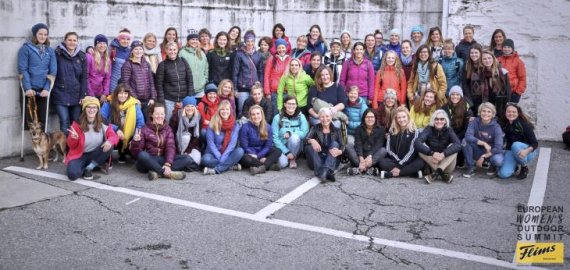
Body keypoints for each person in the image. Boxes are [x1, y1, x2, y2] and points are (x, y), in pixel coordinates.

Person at [130, 103, 194, 180]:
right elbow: (135, 154)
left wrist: (168, 164)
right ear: (151, 114)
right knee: (142, 155)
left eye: (162, 114)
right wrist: (135, 142)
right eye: (157, 114)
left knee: (187, 158)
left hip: (163, 159)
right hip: (149, 160)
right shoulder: (144, 129)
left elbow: (170, 147)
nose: (160, 116)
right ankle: (167, 173)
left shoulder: (168, 129)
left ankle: (157, 172)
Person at [65, 96, 118, 180]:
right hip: (80, 155)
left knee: (109, 145)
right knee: (72, 175)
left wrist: (110, 141)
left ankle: (89, 168)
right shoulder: (77, 123)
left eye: (94, 107)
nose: (91, 110)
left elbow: (114, 136)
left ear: (97, 109)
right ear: (84, 109)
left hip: (95, 154)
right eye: (89, 107)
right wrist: (73, 138)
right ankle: (88, 167)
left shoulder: (103, 122)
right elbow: (71, 146)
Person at [18, 23, 56, 129]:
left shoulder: (50, 51)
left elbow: (52, 72)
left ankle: (42, 145)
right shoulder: (26, 49)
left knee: (43, 120)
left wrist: (47, 88)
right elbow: (23, 69)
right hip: (30, 89)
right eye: (40, 34)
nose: (43, 37)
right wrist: (28, 88)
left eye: (45, 34)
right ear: (35, 34)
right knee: (31, 120)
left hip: (43, 90)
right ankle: (34, 144)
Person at [52, 32, 87, 136]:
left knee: (75, 122)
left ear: (77, 42)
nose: (72, 42)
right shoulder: (57, 54)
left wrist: (83, 95)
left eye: (74, 40)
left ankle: (74, 148)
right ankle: (66, 149)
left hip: (76, 95)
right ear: (65, 40)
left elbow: (84, 77)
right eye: (69, 40)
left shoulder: (81, 56)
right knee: (64, 122)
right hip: (60, 93)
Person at [100, 83, 145, 163]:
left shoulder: (134, 105)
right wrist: (115, 129)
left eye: (125, 93)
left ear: (128, 94)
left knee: (138, 138)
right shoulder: (108, 103)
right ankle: (107, 156)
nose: (123, 95)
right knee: (106, 132)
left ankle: (125, 152)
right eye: (120, 93)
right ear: (116, 93)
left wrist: (136, 135)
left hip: (129, 134)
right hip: (113, 132)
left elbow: (140, 123)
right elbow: (101, 119)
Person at [415, 109, 462, 183]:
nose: (439, 121)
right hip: (433, 162)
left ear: (445, 121)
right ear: (433, 121)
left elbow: (458, 144)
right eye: (436, 119)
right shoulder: (428, 129)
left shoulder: (449, 130)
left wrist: (444, 154)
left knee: (454, 147)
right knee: (420, 150)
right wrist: (432, 153)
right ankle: (442, 174)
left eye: (441, 119)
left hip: (447, 165)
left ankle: (437, 172)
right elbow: (417, 143)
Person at [379, 107, 425, 179]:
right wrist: (398, 161)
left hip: (409, 161)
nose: (401, 120)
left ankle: (391, 174)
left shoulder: (414, 132)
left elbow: (412, 151)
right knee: (381, 161)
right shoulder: (392, 131)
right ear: (396, 119)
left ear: (408, 117)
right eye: (399, 117)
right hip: (395, 160)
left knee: (421, 162)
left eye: (404, 117)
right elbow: (389, 149)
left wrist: (400, 165)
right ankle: (411, 173)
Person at [202, 100, 245, 175]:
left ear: (230, 111)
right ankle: (230, 166)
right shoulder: (212, 123)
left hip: (228, 153)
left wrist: (224, 157)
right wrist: (220, 157)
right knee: (205, 160)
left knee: (240, 151)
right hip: (213, 154)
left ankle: (217, 170)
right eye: (222, 109)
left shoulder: (235, 125)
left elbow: (232, 144)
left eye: (227, 109)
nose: (225, 111)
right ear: (219, 111)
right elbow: (210, 143)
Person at [156, 41, 194, 123]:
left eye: (174, 49)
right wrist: (162, 101)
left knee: (184, 122)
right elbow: (159, 85)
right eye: (170, 50)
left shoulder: (183, 62)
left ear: (177, 50)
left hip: (184, 99)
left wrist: (189, 97)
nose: (172, 52)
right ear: (166, 50)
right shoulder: (162, 65)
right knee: (167, 121)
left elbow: (190, 79)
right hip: (169, 100)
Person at [462, 102, 504, 178]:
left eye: (489, 112)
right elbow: (468, 136)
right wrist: (483, 143)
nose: (486, 114)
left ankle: (492, 166)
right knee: (465, 141)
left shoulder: (496, 127)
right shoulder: (474, 122)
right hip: (479, 149)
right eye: (483, 111)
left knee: (498, 161)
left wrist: (484, 156)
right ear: (480, 112)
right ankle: (471, 167)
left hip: (491, 152)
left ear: (492, 114)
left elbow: (499, 147)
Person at [498, 103, 538, 180]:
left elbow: (535, 143)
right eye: (508, 111)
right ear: (505, 113)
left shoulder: (523, 124)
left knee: (515, 145)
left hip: (527, 151)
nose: (511, 114)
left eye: (514, 112)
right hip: (511, 150)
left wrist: (526, 151)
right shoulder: (504, 123)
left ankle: (524, 167)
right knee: (503, 174)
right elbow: (490, 121)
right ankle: (514, 165)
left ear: (518, 113)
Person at [239, 105, 283, 175]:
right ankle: (269, 166)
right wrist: (255, 155)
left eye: (258, 113)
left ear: (262, 114)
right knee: (245, 158)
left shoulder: (267, 127)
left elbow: (268, 146)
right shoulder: (245, 127)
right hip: (250, 153)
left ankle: (261, 167)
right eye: (253, 114)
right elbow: (244, 146)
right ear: (250, 116)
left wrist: (259, 156)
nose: (256, 116)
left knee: (278, 151)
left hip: (262, 151)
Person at [304, 108, 344, 182]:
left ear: (331, 117)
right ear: (319, 118)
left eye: (327, 116)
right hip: (317, 159)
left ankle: (322, 171)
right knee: (309, 146)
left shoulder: (337, 130)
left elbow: (343, 145)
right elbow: (305, 140)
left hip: (331, 158)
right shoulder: (315, 128)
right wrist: (312, 140)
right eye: (322, 117)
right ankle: (326, 172)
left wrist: (340, 151)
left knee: (335, 143)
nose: (325, 119)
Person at [121, 40, 156, 121]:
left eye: (140, 49)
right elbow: (125, 84)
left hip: (147, 100)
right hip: (135, 100)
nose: (138, 51)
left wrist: (153, 98)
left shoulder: (146, 64)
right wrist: (135, 98)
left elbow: (151, 81)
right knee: (138, 122)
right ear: (132, 51)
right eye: (136, 49)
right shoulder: (127, 65)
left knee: (148, 122)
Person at [272, 96, 309, 169]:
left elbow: (304, 132)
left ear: (296, 105)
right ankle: (287, 157)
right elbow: (274, 137)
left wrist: (291, 133)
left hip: (296, 146)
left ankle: (293, 159)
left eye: (293, 104)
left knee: (294, 137)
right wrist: (286, 152)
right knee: (283, 164)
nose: (291, 106)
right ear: (285, 104)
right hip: (282, 146)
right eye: (289, 104)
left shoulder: (301, 116)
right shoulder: (277, 117)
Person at [440, 86, 473, 168]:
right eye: (453, 94)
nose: (455, 96)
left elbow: (467, 129)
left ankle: (460, 160)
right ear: (450, 96)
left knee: (459, 142)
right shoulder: (444, 107)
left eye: (457, 94)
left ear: (461, 96)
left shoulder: (467, 109)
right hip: (448, 133)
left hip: (461, 134)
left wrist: (455, 137)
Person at [346, 108, 386, 176]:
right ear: (364, 118)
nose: (370, 119)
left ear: (375, 118)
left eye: (372, 117)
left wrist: (370, 156)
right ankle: (368, 169)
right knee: (348, 146)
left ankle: (359, 169)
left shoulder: (381, 129)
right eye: (367, 117)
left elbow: (379, 144)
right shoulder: (358, 129)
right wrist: (361, 158)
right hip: (360, 155)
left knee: (383, 150)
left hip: (372, 155)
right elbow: (358, 144)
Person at [233, 30, 263, 114]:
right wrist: (235, 88)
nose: (250, 43)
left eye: (252, 41)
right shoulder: (239, 54)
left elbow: (260, 72)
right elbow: (235, 72)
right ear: (245, 42)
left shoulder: (258, 55)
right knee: (242, 110)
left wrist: (261, 86)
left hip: (255, 87)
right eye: (248, 41)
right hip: (242, 88)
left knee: (255, 110)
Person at [169, 96, 202, 170]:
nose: (190, 108)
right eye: (187, 106)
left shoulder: (198, 117)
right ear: (183, 107)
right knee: (186, 136)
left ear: (195, 107)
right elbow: (171, 136)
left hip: (190, 147)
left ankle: (184, 163)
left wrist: (188, 151)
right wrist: (177, 149)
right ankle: (183, 160)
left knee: (198, 160)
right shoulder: (176, 117)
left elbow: (196, 138)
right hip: (178, 145)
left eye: (192, 106)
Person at [479, 50, 512, 118]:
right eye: (484, 59)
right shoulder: (480, 73)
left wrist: (506, 105)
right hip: (486, 105)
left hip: (500, 104)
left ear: (493, 59)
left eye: (489, 58)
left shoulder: (502, 72)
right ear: (481, 60)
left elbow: (508, 90)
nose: (487, 60)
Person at [264, 38, 291, 118]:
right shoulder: (271, 59)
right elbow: (266, 76)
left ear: (286, 48)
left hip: (287, 91)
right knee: (276, 114)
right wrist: (267, 92)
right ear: (276, 48)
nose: (281, 50)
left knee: (287, 113)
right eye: (279, 47)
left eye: (283, 47)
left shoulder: (290, 59)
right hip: (275, 92)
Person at [179, 29, 208, 101]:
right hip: (188, 88)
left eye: (196, 39)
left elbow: (206, 68)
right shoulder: (182, 53)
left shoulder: (201, 53)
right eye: (192, 39)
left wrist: (205, 80)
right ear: (188, 41)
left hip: (200, 89)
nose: (194, 41)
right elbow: (180, 69)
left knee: (199, 109)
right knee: (189, 109)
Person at [498, 39, 526, 103]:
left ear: (512, 48)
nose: (506, 49)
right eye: (504, 47)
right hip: (500, 92)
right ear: (502, 48)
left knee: (510, 112)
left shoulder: (518, 62)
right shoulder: (498, 60)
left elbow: (522, 78)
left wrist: (518, 92)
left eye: (509, 47)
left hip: (513, 92)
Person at [86, 34, 111, 104]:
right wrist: (91, 95)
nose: (102, 45)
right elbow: (85, 77)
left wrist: (105, 93)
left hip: (100, 93)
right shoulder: (89, 57)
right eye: (100, 43)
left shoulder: (107, 60)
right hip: (89, 93)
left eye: (104, 43)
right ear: (95, 45)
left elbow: (107, 78)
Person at [462, 44, 483, 114]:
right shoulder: (467, 65)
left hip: (483, 97)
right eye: (472, 53)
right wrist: (469, 100)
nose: (474, 55)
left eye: (476, 52)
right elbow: (465, 84)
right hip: (472, 97)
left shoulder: (484, 65)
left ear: (480, 53)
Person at [109, 28, 132, 93]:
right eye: (123, 38)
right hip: (113, 81)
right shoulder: (111, 49)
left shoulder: (131, 51)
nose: (125, 41)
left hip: (126, 82)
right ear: (119, 39)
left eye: (128, 39)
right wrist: (89, 48)